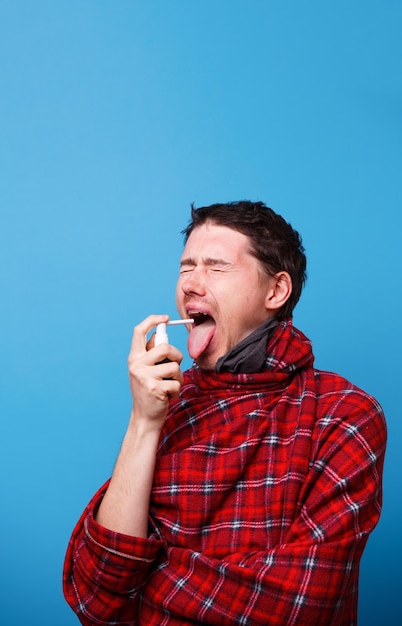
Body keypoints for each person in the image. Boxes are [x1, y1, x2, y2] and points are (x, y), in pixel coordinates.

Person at [63, 201, 386, 625]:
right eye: (185, 267)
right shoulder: (169, 405)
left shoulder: (344, 414)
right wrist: (144, 422)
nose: (191, 285)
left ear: (276, 291)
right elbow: (96, 596)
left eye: (215, 268)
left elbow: (300, 606)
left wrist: (142, 583)